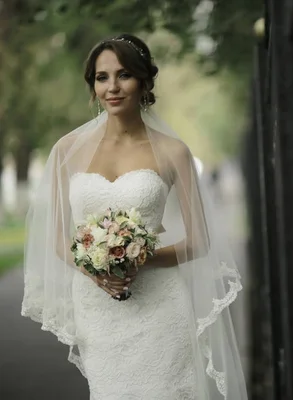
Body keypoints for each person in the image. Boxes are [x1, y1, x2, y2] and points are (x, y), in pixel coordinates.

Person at [20, 33, 247, 400]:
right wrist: (95, 268)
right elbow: (57, 238)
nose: (112, 87)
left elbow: (199, 241)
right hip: (98, 309)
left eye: (123, 75)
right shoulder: (66, 150)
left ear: (143, 81)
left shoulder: (174, 152)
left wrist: (136, 258)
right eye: (102, 77)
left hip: (161, 305)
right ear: (93, 87)